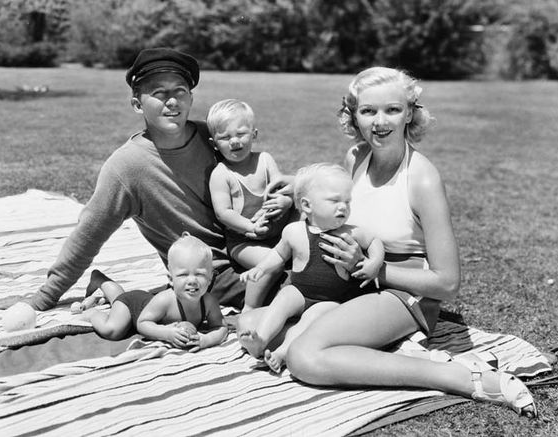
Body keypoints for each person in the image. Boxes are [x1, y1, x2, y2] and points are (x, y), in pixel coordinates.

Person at [285, 67, 537, 417]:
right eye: (368, 111)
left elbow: (447, 283)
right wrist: (292, 189)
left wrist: (374, 268)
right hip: (355, 283)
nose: (380, 121)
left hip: (405, 294)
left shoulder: (422, 178)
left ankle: (456, 375)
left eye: (392, 109)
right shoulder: (356, 158)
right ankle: (400, 351)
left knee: (304, 356)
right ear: (353, 116)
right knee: (282, 327)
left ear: (410, 114)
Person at [6, 47, 288, 312]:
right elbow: (88, 234)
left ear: (191, 97)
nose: (172, 100)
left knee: (318, 263)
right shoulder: (126, 167)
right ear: (137, 105)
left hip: (255, 244)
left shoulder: (211, 138)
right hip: (209, 273)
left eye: (180, 90)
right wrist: (46, 296)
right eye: (159, 93)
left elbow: (258, 176)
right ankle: (110, 290)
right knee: (304, 290)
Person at [237, 163, 384, 373]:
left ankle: (283, 352)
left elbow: (374, 241)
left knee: (311, 318)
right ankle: (260, 338)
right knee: (284, 298)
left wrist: (374, 263)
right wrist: (260, 269)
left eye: (347, 201)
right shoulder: (293, 231)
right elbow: (278, 254)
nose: (343, 207)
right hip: (300, 292)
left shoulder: (351, 233)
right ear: (307, 206)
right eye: (334, 200)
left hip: (330, 300)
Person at [207, 99, 295, 313]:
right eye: (225, 137)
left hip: (277, 231)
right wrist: (249, 227)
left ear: (254, 134)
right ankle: (250, 307)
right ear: (214, 143)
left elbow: (281, 188)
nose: (234, 141)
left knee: (304, 218)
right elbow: (223, 212)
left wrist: (285, 201)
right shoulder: (221, 174)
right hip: (244, 241)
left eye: (241, 134)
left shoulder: (265, 160)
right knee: (271, 264)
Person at [77, 234, 228, 351]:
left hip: (144, 303)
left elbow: (221, 327)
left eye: (200, 274)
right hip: (132, 306)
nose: (192, 281)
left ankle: (100, 280)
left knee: (117, 298)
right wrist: (166, 333)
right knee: (114, 330)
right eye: (183, 275)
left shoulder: (208, 302)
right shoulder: (165, 300)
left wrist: (206, 340)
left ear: (210, 278)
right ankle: (92, 313)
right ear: (170, 278)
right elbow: (142, 323)